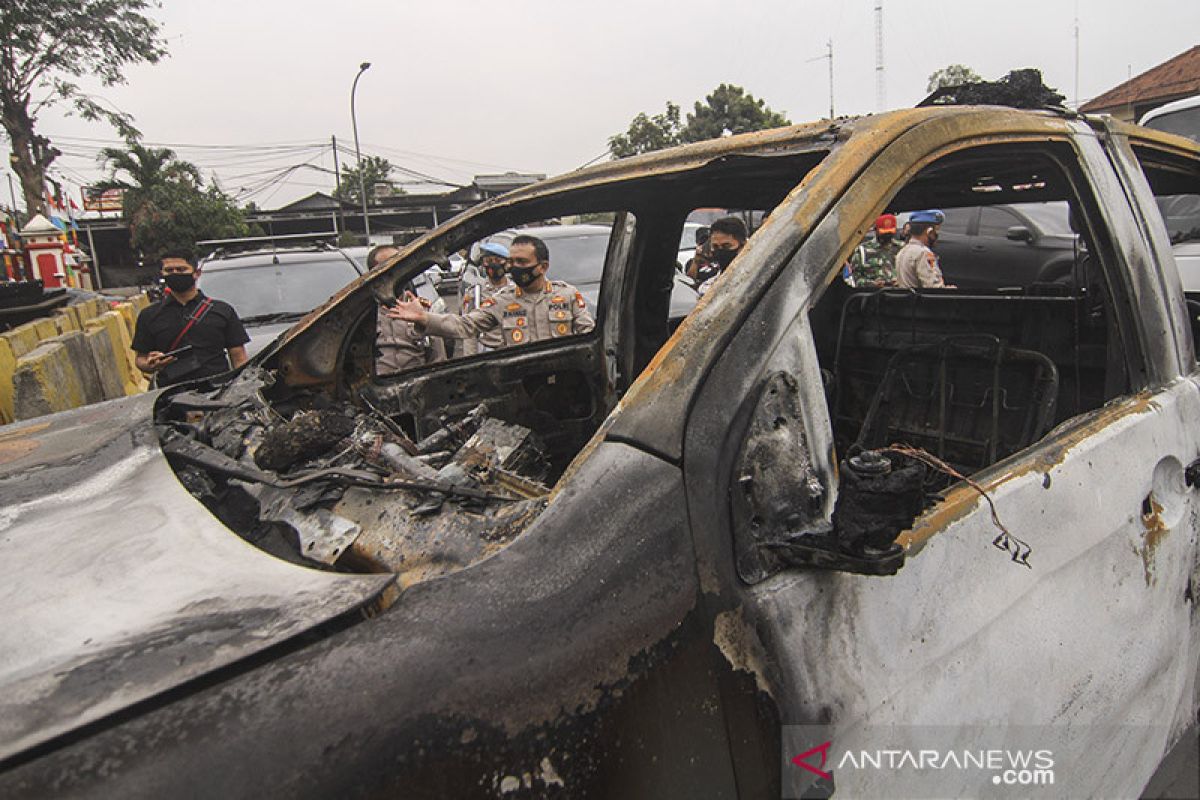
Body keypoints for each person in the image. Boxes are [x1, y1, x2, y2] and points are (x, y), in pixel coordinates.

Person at [385, 234, 594, 346]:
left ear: (543, 266)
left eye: (522, 261)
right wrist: (424, 318)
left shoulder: (566, 295)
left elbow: (589, 334)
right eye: (511, 261)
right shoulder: (501, 301)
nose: (514, 267)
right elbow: (464, 326)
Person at [131, 250, 249, 387]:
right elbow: (140, 358)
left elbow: (239, 358)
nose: (175, 273)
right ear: (162, 274)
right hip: (170, 396)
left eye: (181, 269)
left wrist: (241, 390)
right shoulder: (149, 315)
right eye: (169, 270)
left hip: (218, 394)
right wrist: (150, 364)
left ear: (196, 273)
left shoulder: (223, 311)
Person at [368, 244, 447, 375]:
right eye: (389, 267)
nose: (397, 272)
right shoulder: (363, 315)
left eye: (400, 265)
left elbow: (438, 357)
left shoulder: (420, 308)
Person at [460, 242, 510, 355]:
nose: (493, 265)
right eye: (488, 261)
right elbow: (468, 331)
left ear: (506, 263)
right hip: (487, 349)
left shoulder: (516, 289)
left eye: (497, 261)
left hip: (513, 347)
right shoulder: (475, 292)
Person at [895, 210, 954, 289]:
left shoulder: (903, 251)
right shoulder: (923, 253)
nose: (937, 235)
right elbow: (933, 288)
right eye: (936, 230)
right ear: (929, 231)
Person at [697, 216, 748, 296]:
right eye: (715, 246)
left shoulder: (753, 278)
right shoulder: (707, 287)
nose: (720, 251)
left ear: (743, 245)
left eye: (726, 246)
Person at [847, 214, 902, 287]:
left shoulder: (902, 248)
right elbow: (855, 279)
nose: (887, 235)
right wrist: (872, 284)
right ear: (876, 230)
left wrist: (901, 282)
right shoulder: (863, 251)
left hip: (900, 294)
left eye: (890, 232)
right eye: (884, 232)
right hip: (873, 294)